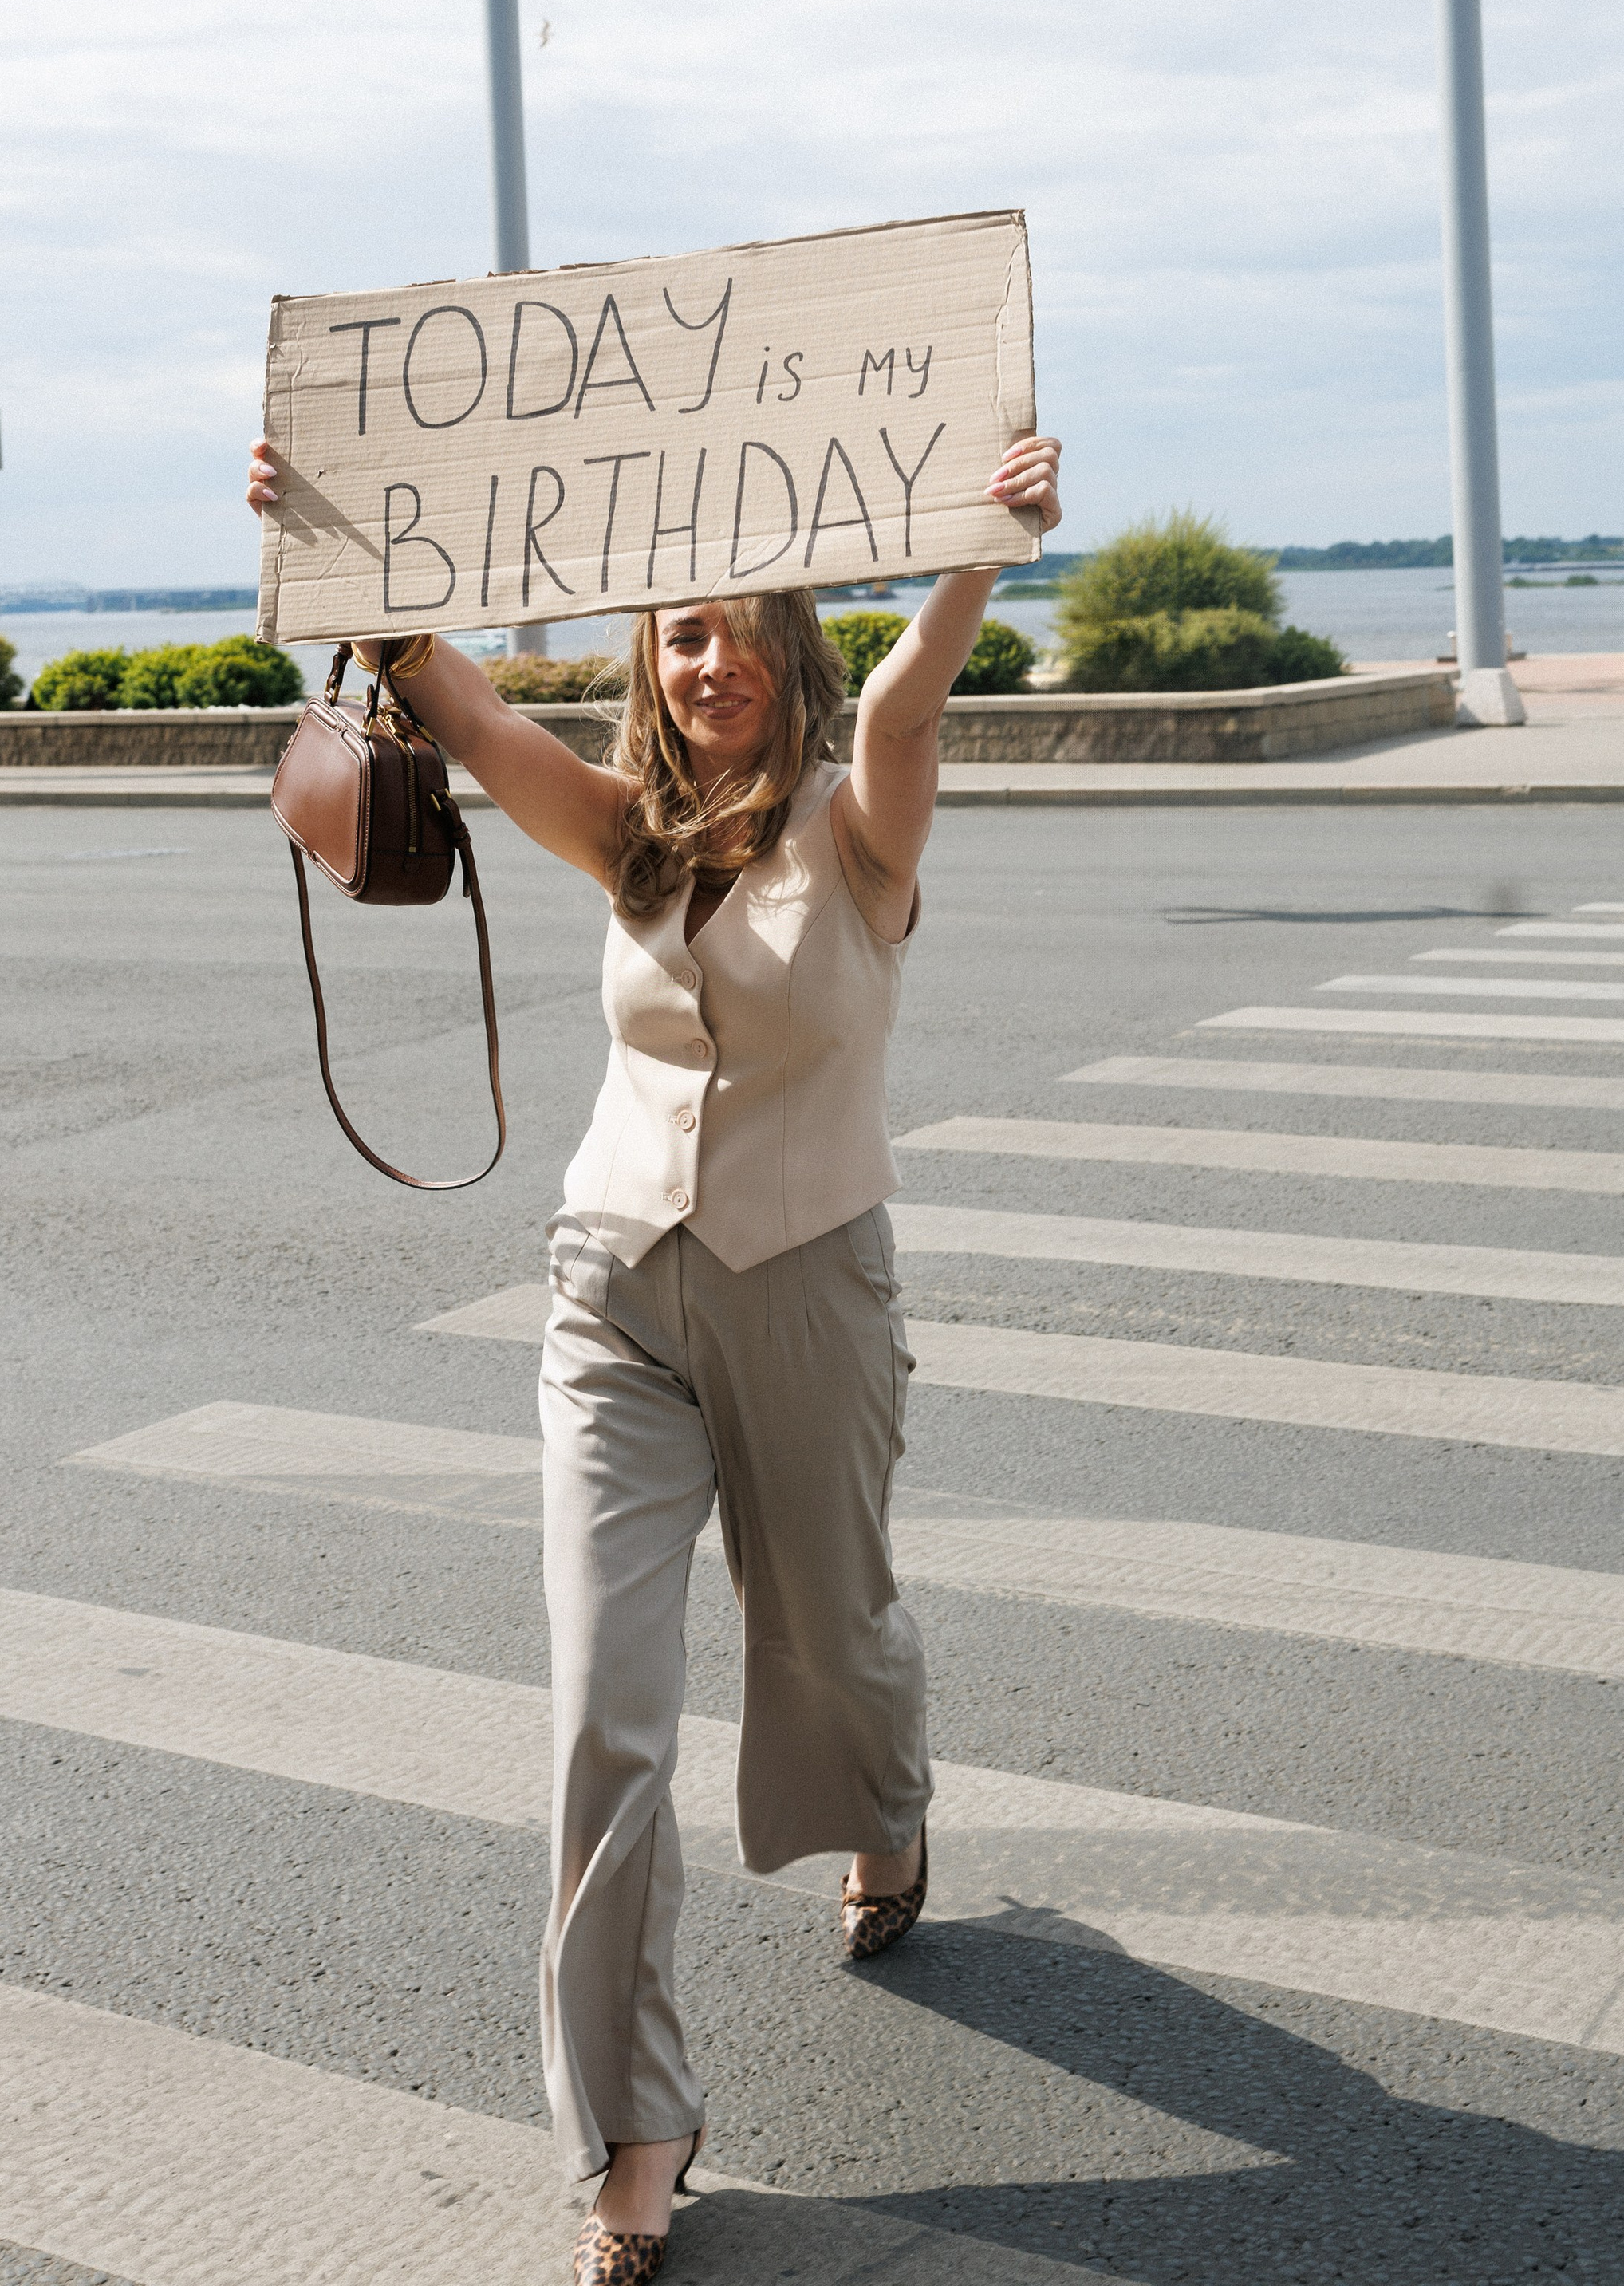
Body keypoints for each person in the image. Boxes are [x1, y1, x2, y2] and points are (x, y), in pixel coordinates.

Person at [248, 427, 1063, 2284]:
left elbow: (919, 699)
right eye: (677, 636)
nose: (708, 664)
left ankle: (885, 1807)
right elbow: (452, 709)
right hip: (609, 1291)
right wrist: (330, 537)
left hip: (805, 1282)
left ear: (792, 645)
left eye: (740, 632)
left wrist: (983, 548)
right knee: (605, 1712)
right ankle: (635, 2126)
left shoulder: (862, 827)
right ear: (652, 661)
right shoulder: (622, 832)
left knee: (830, 1630)